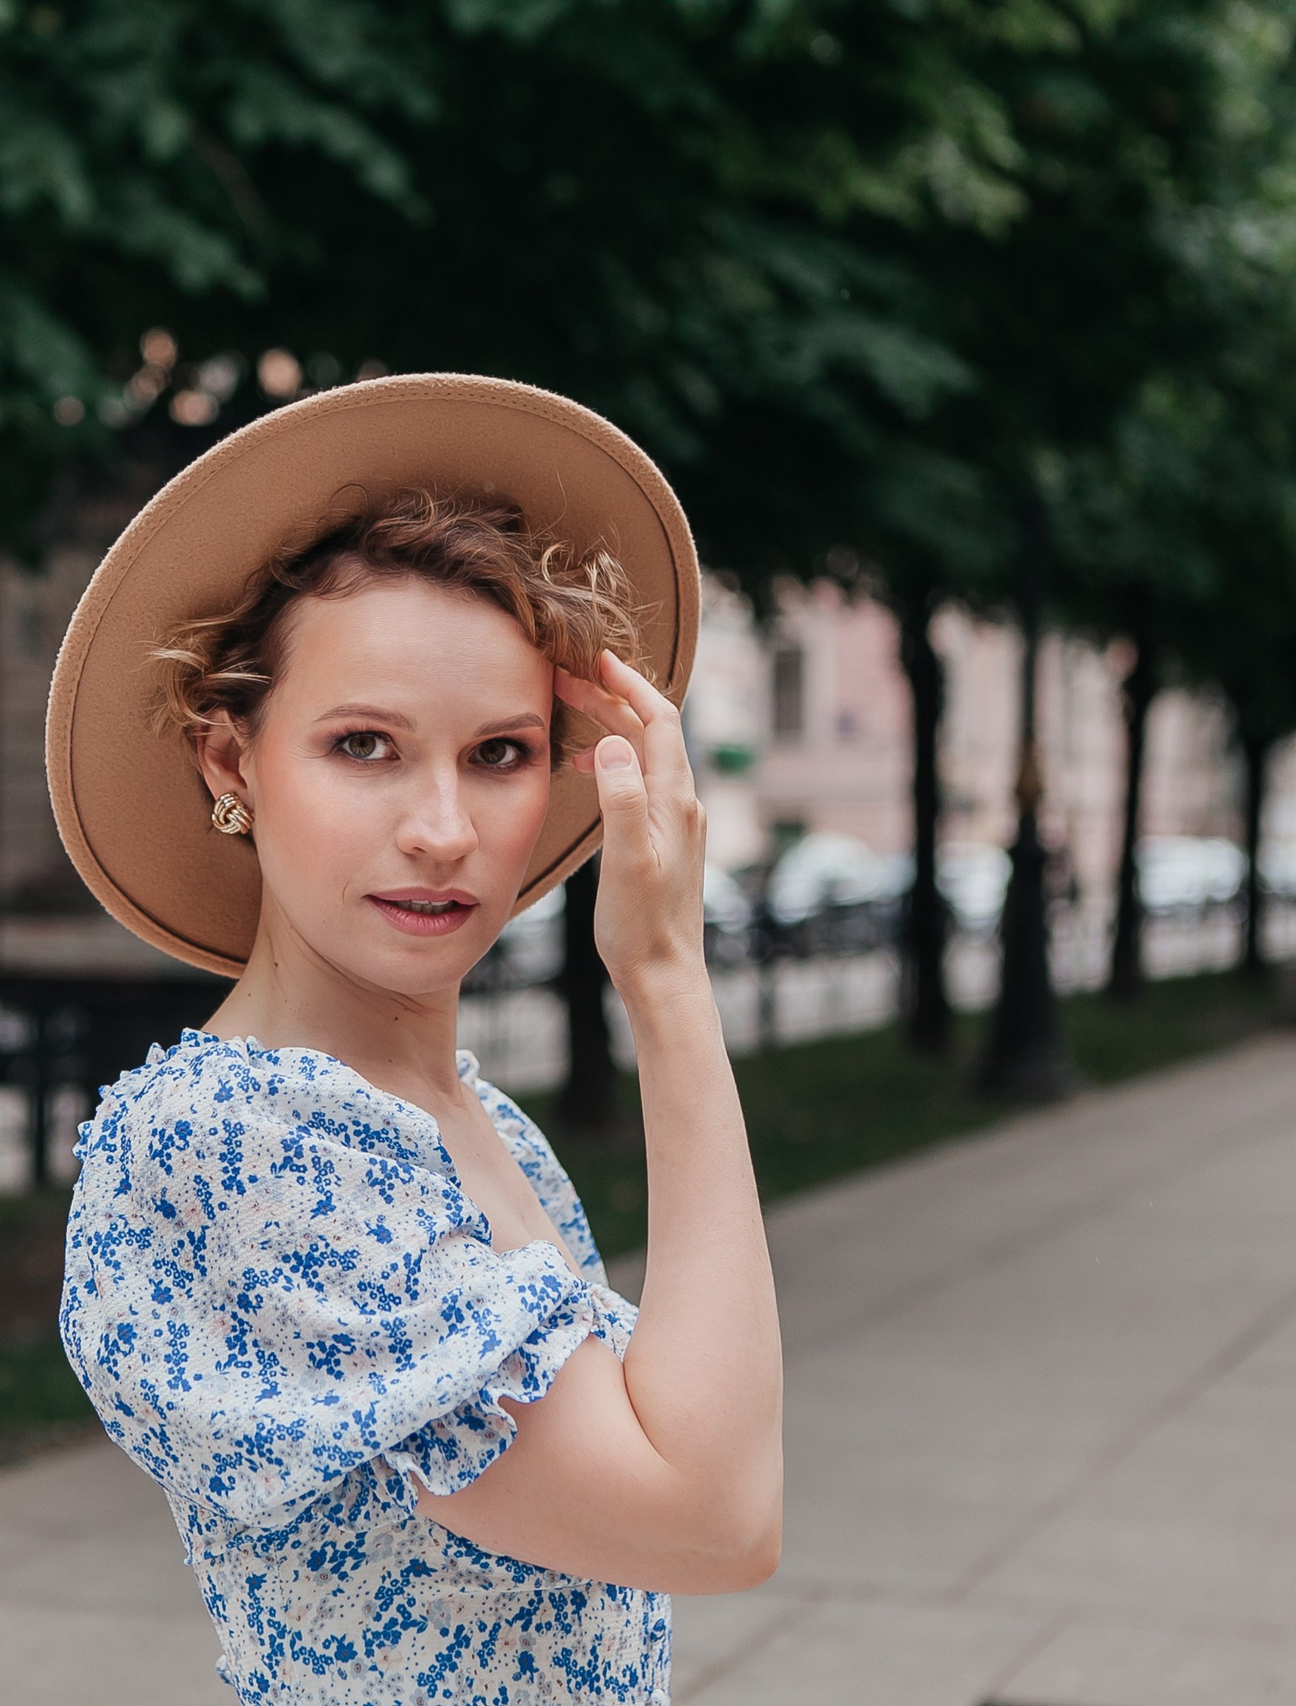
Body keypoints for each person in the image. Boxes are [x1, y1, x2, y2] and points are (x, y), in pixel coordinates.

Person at [50, 375, 784, 1704]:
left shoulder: (474, 1121)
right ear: (232, 762)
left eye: (500, 753)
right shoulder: (233, 1143)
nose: (443, 826)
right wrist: (664, 977)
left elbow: (683, 1458)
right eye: (365, 744)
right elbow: (718, 1517)